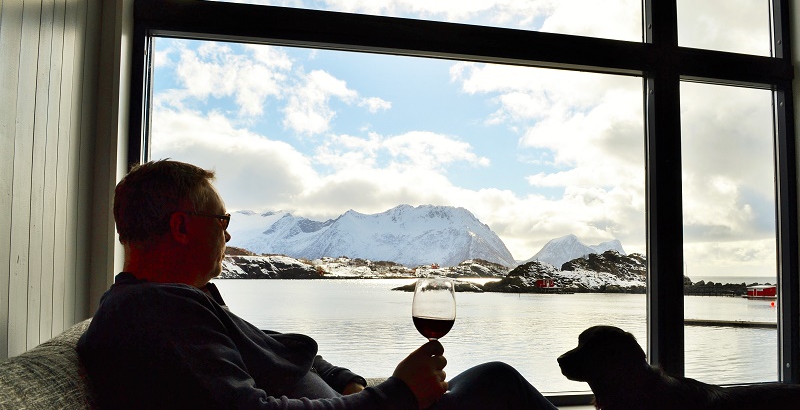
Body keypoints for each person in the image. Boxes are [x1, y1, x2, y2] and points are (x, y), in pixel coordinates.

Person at [77, 159, 557, 410]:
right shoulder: (152, 312)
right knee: (496, 382)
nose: (228, 235)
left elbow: (276, 350)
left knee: (493, 379)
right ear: (182, 227)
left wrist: (347, 381)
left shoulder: (180, 300)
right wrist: (395, 395)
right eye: (221, 221)